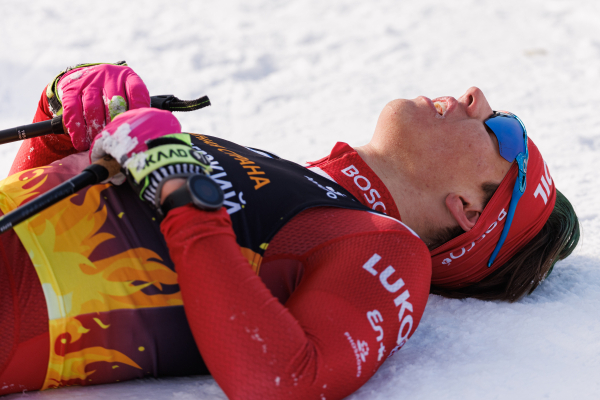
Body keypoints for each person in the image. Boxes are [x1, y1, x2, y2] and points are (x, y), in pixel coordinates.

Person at [0, 63, 579, 399]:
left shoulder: (387, 249)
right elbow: (38, 221)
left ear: (470, 213)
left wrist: (183, 194)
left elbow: (288, 381)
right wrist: (66, 112)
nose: (478, 97)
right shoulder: (291, 179)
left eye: (503, 132)